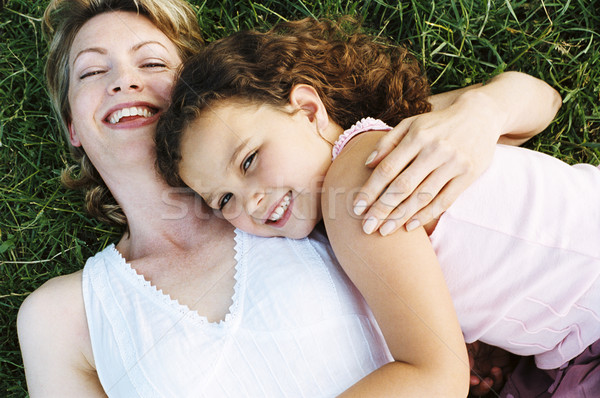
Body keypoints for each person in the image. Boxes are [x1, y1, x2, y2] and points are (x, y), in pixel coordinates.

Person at [16, 0, 559, 396]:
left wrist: (482, 113)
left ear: (191, 92)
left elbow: (536, 101)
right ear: (72, 126)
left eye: (152, 63)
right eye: (92, 71)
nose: (123, 81)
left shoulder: (309, 180)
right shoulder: (61, 316)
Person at [154, 19, 599, 397]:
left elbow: (439, 379)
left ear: (308, 110)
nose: (248, 200)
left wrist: (482, 112)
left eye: (249, 160)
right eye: (224, 200)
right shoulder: (382, 142)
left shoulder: (357, 181)